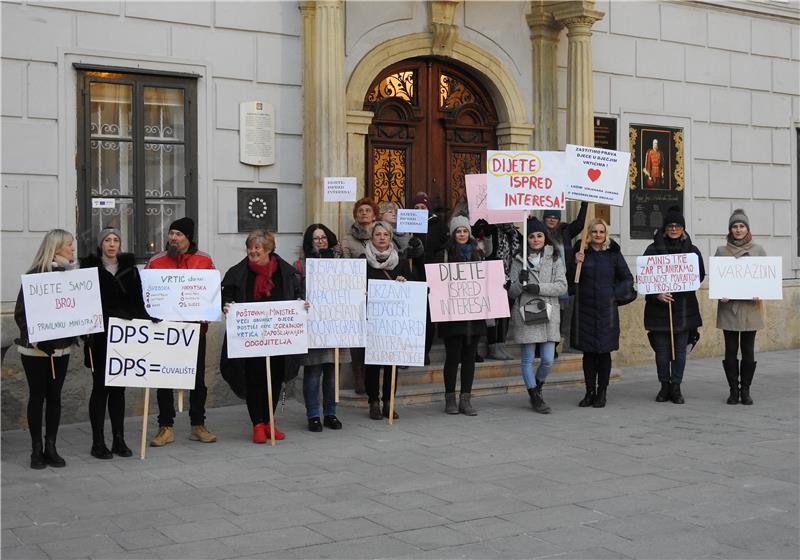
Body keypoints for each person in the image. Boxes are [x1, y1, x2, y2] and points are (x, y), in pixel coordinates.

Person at [219, 230, 303, 442]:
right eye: (250, 247)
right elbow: (226, 294)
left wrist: (303, 303)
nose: (253, 251)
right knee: (254, 380)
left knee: (275, 380)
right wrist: (227, 305)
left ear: (268, 249)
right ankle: (257, 423)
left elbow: (298, 293)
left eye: (258, 247)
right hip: (249, 341)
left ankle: (269, 422)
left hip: (277, 339)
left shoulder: (286, 272)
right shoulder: (238, 272)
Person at [80, 228, 155, 459]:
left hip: (123, 337)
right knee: (100, 389)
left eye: (116, 240)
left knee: (118, 389)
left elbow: (138, 302)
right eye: (107, 240)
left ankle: (119, 439)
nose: (112, 244)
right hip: (99, 338)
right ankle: (98, 442)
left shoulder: (130, 270)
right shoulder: (89, 270)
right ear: (100, 244)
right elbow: (84, 305)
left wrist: (148, 318)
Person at [146, 217, 217, 446]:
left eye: (178, 234)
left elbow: (212, 294)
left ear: (189, 238)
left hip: (195, 331)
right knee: (164, 378)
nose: (173, 238)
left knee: (197, 380)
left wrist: (208, 313)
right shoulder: (156, 262)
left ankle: (198, 424)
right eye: (171, 233)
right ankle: (165, 427)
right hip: (165, 331)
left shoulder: (204, 261)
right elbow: (145, 294)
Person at [14, 229, 78, 469]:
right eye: (69, 245)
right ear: (57, 247)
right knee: (38, 396)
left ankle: (51, 446)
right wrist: (40, 339)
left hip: (61, 350)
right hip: (36, 351)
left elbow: (74, 311)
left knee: (55, 397)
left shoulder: (71, 277)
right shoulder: (35, 275)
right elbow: (22, 314)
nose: (72, 249)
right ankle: (36, 449)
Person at [569, 219, 633, 408]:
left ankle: (602, 392)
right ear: (588, 234)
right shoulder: (580, 252)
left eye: (601, 231)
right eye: (594, 231)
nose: (598, 235)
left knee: (604, 353)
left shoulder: (613, 254)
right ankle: (589, 392)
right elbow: (570, 281)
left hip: (606, 310)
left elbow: (627, 278)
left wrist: (613, 294)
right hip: (585, 309)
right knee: (588, 354)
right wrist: (575, 263)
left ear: (606, 234)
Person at [643, 206, 705, 404]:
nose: (673, 229)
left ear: (683, 228)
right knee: (661, 351)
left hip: (684, 309)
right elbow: (644, 278)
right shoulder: (652, 250)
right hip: (659, 309)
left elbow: (699, 275)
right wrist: (657, 294)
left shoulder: (692, 251)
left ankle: (676, 386)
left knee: (680, 350)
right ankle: (664, 385)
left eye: (677, 225)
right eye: (670, 225)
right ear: (664, 228)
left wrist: (684, 283)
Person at [508, 218, 567, 414]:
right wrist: (519, 283)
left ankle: (538, 387)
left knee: (548, 359)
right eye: (532, 236)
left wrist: (538, 288)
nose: (536, 239)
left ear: (545, 237)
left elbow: (561, 286)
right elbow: (511, 292)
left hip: (549, 313)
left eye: (539, 235)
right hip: (527, 313)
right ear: (527, 240)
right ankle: (534, 396)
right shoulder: (518, 259)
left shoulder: (555, 257)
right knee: (527, 359)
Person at [362, 221, 412, 420]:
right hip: (371, 319)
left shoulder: (400, 261)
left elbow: (411, 287)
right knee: (373, 363)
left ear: (390, 237)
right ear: (371, 238)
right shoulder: (362, 260)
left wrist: (403, 283)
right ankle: (373, 401)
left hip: (393, 321)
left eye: (385, 234)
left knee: (392, 362)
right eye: (378, 234)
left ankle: (389, 401)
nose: (381, 237)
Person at [296, 223, 344, 431]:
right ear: (309, 242)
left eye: (323, 237)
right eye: (316, 238)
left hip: (337, 324)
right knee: (313, 372)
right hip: (313, 325)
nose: (321, 241)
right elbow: (295, 291)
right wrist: (300, 301)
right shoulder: (300, 266)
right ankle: (313, 415)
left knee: (332, 372)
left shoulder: (341, 263)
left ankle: (330, 413)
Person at [715, 209, 766, 405]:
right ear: (730, 230)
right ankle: (732, 390)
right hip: (729, 308)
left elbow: (765, 278)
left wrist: (760, 291)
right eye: (735, 226)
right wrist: (722, 294)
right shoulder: (721, 251)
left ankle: (745, 389)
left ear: (747, 229)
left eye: (741, 226)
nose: (738, 230)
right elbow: (718, 280)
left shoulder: (758, 250)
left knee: (748, 349)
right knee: (730, 349)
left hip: (751, 308)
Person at [437, 216, 485, 415]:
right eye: (458, 231)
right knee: (452, 357)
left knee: (469, 359)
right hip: (452, 316)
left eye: (465, 231)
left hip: (473, 316)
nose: (462, 234)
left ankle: (466, 398)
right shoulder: (445, 254)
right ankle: (450, 398)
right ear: (453, 234)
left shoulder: (478, 253)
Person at [342, 196, 380, 394]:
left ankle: (374, 374)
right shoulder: (348, 239)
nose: (364, 213)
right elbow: (345, 265)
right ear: (355, 215)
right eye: (360, 211)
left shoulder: (381, 234)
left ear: (374, 215)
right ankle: (359, 375)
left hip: (378, 290)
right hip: (357, 292)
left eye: (368, 210)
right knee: (358, 336)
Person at [542, 202, 588, 354]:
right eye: (549, 217)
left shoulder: (565, 232)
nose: (552, 220)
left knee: (559, 317)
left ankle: (553, 346)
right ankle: (542, 346)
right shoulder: (538, 233)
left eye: (555, 217)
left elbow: (580, 223)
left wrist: (585, 203)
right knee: (544, 316)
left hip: (563, 282)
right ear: (544, 219)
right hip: (545, 282)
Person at [410, 193, 448, 365]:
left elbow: (443, 246)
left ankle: (424, 351)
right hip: (412, 273)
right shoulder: (408, 225)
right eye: (416, 208)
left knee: (427, 316)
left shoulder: (438, 224)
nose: (419, 211)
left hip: (431, 275)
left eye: (422, 208)